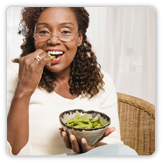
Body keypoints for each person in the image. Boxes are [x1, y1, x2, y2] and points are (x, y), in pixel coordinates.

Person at [7, 7, 138, 156]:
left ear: (80, 37)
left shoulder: (102, 80)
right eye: (43, 31)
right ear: (33, 37)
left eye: (65, 31)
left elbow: (113, 149)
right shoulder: (11, 75)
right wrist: (23, 90)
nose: (54, 40)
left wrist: (90, 147)